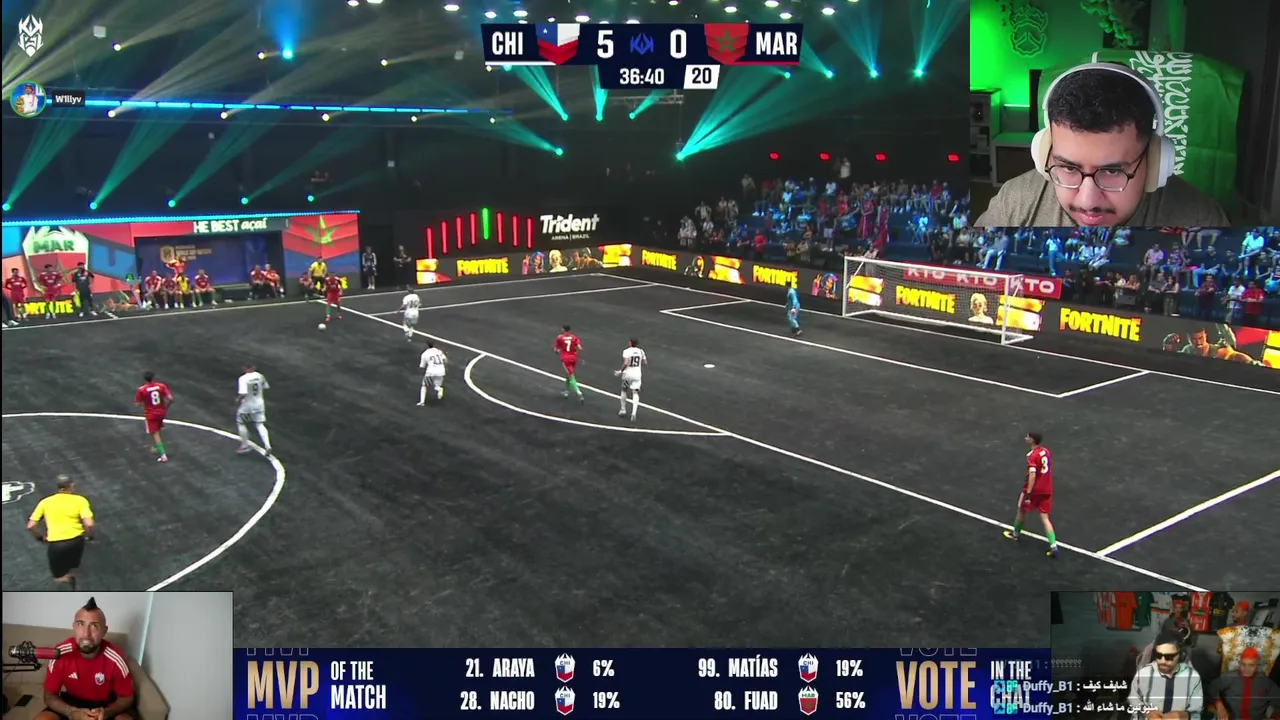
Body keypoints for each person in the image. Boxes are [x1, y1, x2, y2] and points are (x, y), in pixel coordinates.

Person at [976, 63, 1229, 227]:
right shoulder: (1013, 204)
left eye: (1112, 171)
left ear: (1155, 161)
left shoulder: (1201, 220)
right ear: (1045, 155)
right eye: (1068, 168)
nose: (1088, 201)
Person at [34, 597, 136, 720]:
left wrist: (107, 712)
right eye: (81, 624)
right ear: (74, 627)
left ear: (104, 631)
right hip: (72, 703)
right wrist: (70, 712)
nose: (86, 634)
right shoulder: (60, 653)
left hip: (105, 705)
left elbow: (127, 698)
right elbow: (49, 696)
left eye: (94, 626)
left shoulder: (116, 658)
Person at [26, 475, 95, 591]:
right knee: (73, 566)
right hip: (76, 541)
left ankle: (67, 586)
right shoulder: (80, 500)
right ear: (71, 485)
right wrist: (90, 537)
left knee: (58, 577)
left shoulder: (45, 502)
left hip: (57, 545)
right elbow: (89, 524)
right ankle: (72, 579)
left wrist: (40, 538)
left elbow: (31, 525)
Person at [1003, 432, 1059, 558]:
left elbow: (1032, 475)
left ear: (1032, 440)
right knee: (1045, 517)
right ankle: (1053, 545)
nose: (1025, 438)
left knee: (1021, 509)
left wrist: (1028, 493)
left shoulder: (1032, 456)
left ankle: (1015, 534)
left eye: (1028, 437)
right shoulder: (1046, 451)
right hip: (1047, 489)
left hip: (1035, 489)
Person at [1127, 630, 1204, 720]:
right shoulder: (1143, 674)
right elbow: (1133, 699)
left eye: (1169, 657)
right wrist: (1147, 712)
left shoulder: (1193, 678)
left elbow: (1197, 712)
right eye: (1159, 655)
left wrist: (1183, 716)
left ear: (1180, 655)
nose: (1162, 661)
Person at [1208, 647, 1278, 720]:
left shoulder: (1265, 682)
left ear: (1257, 666)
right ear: (1239, 664)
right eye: (1243, 664)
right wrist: (1219, 704)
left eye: (1251, 665)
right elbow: (1212, 687)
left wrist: (1274, 718)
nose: (1246, 669)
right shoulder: (1230, 677)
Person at [133, 371, 173, 463]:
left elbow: (137, 404)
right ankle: (157, 446)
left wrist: (145, 403)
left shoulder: (142, 390)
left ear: (144, 379)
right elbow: (170, 398)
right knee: (157, 430)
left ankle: (163, 455)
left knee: (155, 433)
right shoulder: (161, 386)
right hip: (161, 412)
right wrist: (166, 407)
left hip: (151, 414)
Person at [236, 364, 272, 456]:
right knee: (260, 425)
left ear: (244, 368)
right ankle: (267, 445)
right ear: (253, 367)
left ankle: (244, 445)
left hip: (247, 406)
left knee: (241, 423)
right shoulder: (260, 376)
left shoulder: (243, 378)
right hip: (259, 404)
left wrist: (238, 399)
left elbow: (243, 393)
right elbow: (265, 386)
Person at [614, 338, 648, 421]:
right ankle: (634, 413)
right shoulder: (641, 351)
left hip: (627, 374)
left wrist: (620, 371)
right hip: (637, 375)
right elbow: (645, 362)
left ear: (630, 343)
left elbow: (626, 363)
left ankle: (623, 409)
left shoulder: (626, 351)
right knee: (635, 393)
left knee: (624, 390)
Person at [555, 325, 584, 404]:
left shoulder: (560, 337)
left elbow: (556, 350)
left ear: (563, 329)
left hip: (565, 359)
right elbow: (580, 347)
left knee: (571, 375)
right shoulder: (574, 337)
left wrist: (558, 351)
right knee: (568, 375)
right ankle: (566, 391)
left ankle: (578, 392)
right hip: (573, 358)